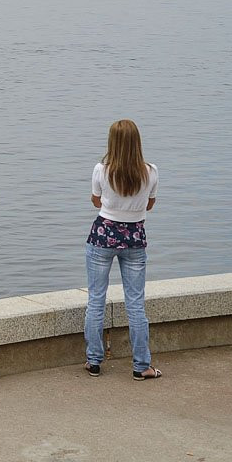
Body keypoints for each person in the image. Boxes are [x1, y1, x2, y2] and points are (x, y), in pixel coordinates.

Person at [83, 120, 161, 380]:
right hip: (135, 239)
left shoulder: (101, 170)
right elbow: (149, 205)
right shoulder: (150, 171)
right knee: (136, 304)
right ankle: (141, 366)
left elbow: (96, 201)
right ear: (137, 142)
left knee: (96, 300)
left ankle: (93, 361)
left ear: (112, 142)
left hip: (103, 236)